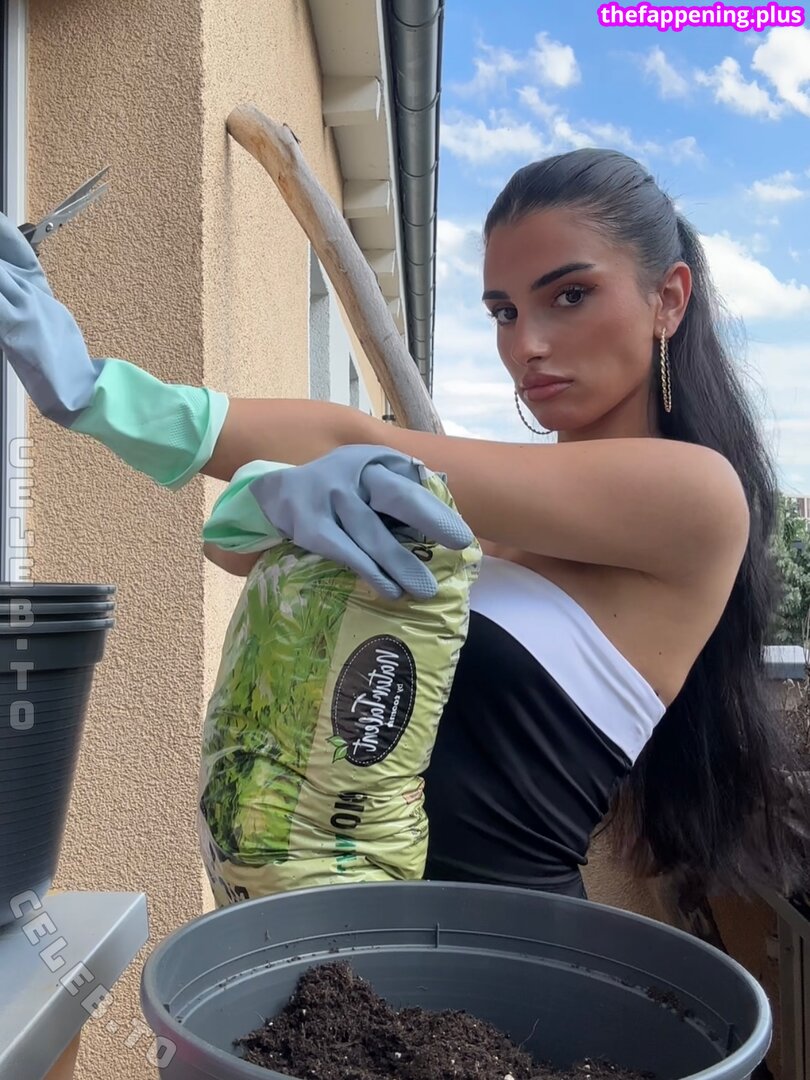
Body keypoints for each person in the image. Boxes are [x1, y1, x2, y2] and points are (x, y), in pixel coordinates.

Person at [0, 147, 804, 900]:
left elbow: (352, 441)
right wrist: (267, 502)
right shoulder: (486, 518)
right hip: (344, 955)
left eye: (569, 296)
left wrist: (98, 394)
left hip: (495, 967)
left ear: (668, 299)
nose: (526, 344)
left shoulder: (696, 495)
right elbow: (244, 556)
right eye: (502, 311)